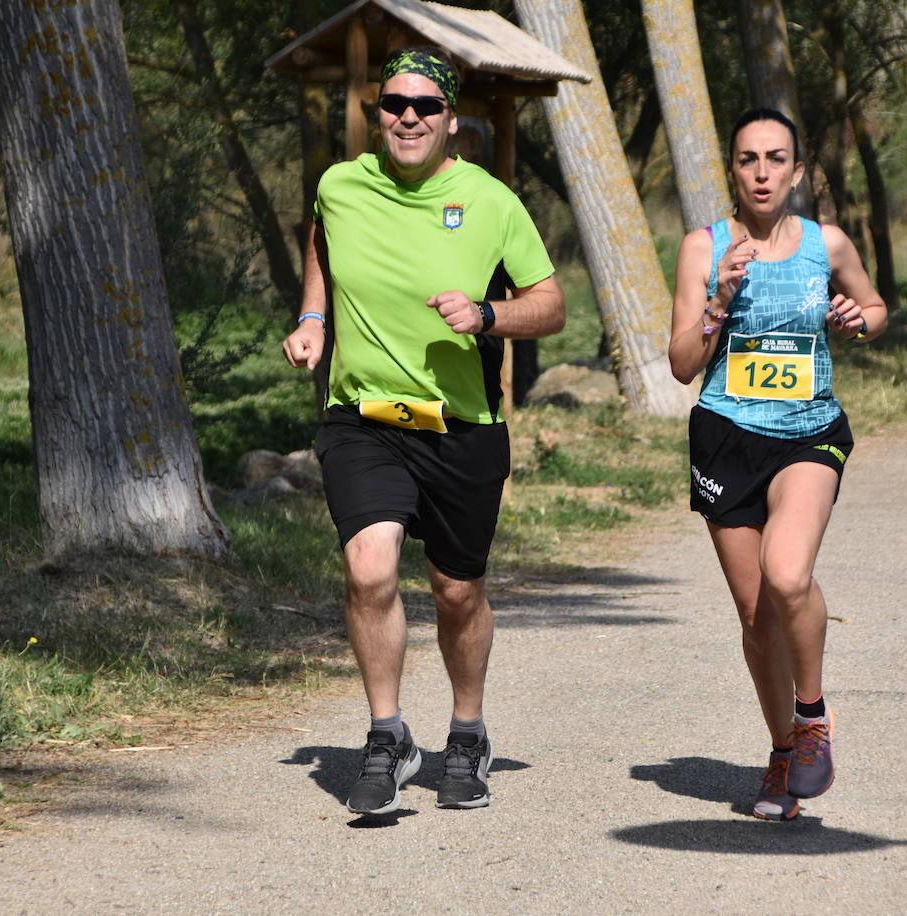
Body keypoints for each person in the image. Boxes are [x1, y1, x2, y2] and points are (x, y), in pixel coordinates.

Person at [281, 46, 564, 815]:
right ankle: (387, 734)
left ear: (451, 118)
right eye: (393, 105)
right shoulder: (342, 184)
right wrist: (314, 317)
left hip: (459, 425)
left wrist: (489, 316)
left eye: (425, 107)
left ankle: (466, 733)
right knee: (370, 571)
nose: (408, 118)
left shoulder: (491, 200)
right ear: (378, 112)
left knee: (456, 590)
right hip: (363, 416)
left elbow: (552, 303)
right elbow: (321, 239)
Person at [667, 108, 887, 821]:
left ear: (798, 170)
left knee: (786, 574)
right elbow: (680, 365)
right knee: (757, 614)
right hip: (726, 434)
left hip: (808, 433)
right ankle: (784, 749)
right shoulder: (703, 249)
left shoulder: (827, 243)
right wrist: (718, 300)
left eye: (775, 159)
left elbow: (875, 304)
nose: (762, 172)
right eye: (748, 159)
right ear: (732, 169)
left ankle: (813, 716)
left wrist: (859, 319)